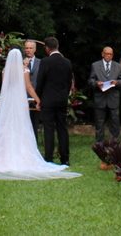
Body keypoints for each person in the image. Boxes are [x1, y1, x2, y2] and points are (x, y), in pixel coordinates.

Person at [0, 47, 79, 179]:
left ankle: (3, 155)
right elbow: (28, 87)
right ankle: (21, 153)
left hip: (7, 101)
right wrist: (38, 100)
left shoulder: (5, 70)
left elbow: (5, 86)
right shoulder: (24, 70)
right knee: (21, 125)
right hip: (19, 100)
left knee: (6, 125)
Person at [35, 37, 73, 166]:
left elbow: (40, 82)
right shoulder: (67, 62)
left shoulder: (45, 62)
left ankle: (49, 157)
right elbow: (69, 82)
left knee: (49, 128)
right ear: (57, 46)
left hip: (48, 99)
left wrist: (39, 99)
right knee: (62, 128)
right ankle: (65, 158)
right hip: (62, 100)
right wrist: (64, 95)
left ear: (47, 48)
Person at [88, 46, 121, 143]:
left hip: (113, 98)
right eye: (106, 53)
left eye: (110, 54)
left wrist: (116, 82)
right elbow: (90, 80)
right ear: (102, 54)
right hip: (100, 97)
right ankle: (99, 143)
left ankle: (115, 142)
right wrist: (96, 83)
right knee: (99, 122)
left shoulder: (118, 66)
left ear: (112, 55)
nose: (108, 56)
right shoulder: (95, 65)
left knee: (115, 121)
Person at [23, 39, 42, 135]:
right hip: (22, 96)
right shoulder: (19, 62)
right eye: (26, 48)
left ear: (35, 49)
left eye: (30, 48)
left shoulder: (41, 62)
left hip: (35, 96)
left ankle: (34, 142)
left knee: (35, 121)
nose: (28, 50)